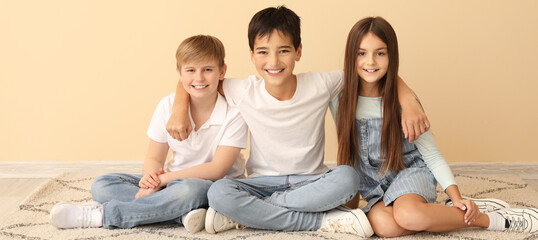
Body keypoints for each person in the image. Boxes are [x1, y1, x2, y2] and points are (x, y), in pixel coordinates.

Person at [166, 6, 428, 237]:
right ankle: (319, 221)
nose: (273, 61)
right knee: (218, 192)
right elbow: (194, 81)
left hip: (311, 182)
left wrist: (409, 101)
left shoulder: (320, 84)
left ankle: (251, 215)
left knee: (348, 178)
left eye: (283, 51)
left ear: (298, 51)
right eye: (263, 52)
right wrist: (179, 108)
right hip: (261, 184)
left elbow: (369, 72)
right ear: (251, 55)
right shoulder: (243, 90)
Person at [331, 16, 538, 237]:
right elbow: (349, 150)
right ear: (350, 55)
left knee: (409, 215)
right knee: (385, 227)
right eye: (361, 53)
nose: (370, 61)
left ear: (392, 56)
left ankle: (493, 219)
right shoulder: (339, 98)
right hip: (374, 185)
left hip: (409, 172)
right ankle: (444, 212)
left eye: (380, 53)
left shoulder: (405, 103)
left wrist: (456, 196)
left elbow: (431, 153)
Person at [49, 35, 248, 234]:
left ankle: (102, 215)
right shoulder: (167, 105)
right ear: (179, 73)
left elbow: (217, 169)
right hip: (170, 185)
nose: (199, 78)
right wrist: (151, 179)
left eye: (208, 70)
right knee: (102, 185)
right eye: (191, 70)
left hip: (210, 187)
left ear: (222, 71)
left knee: (190, 190)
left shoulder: (234, 112)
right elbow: (154, 157)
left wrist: (162, 181)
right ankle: (180, 214)